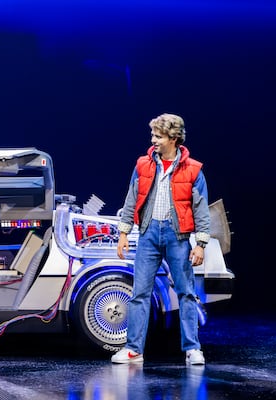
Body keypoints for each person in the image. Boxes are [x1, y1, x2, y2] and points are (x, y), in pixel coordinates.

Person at [112, 113, 210, 366]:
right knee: (139, 293)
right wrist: (123, 233)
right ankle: (134, 349)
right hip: (148, 234)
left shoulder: (193, 169)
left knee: (186, 293)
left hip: (177, 236)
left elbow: (200, 207)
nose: (153, 140)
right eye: (153, 135)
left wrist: (200, 244)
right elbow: (131, 199)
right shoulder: (143, 164)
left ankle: (192, 349)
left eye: (158, 136)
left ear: (173, 138)